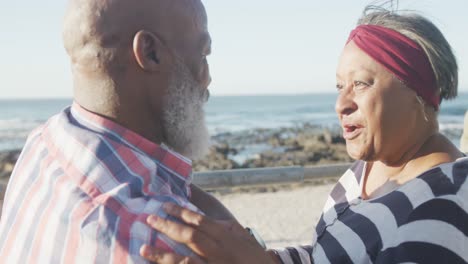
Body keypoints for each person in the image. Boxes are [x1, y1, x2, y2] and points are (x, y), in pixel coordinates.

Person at [139, 5, 468, 264]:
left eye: (362, 83)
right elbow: (327, 255)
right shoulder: (369, 168)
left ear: (420, 92)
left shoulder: (445, 206)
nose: (341, 104)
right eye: (340, 86)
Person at [0, 0, 235, 263]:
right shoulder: (166, 239)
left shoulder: (43, 143)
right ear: (150, 52)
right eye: (203, 54)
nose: (208, 78)